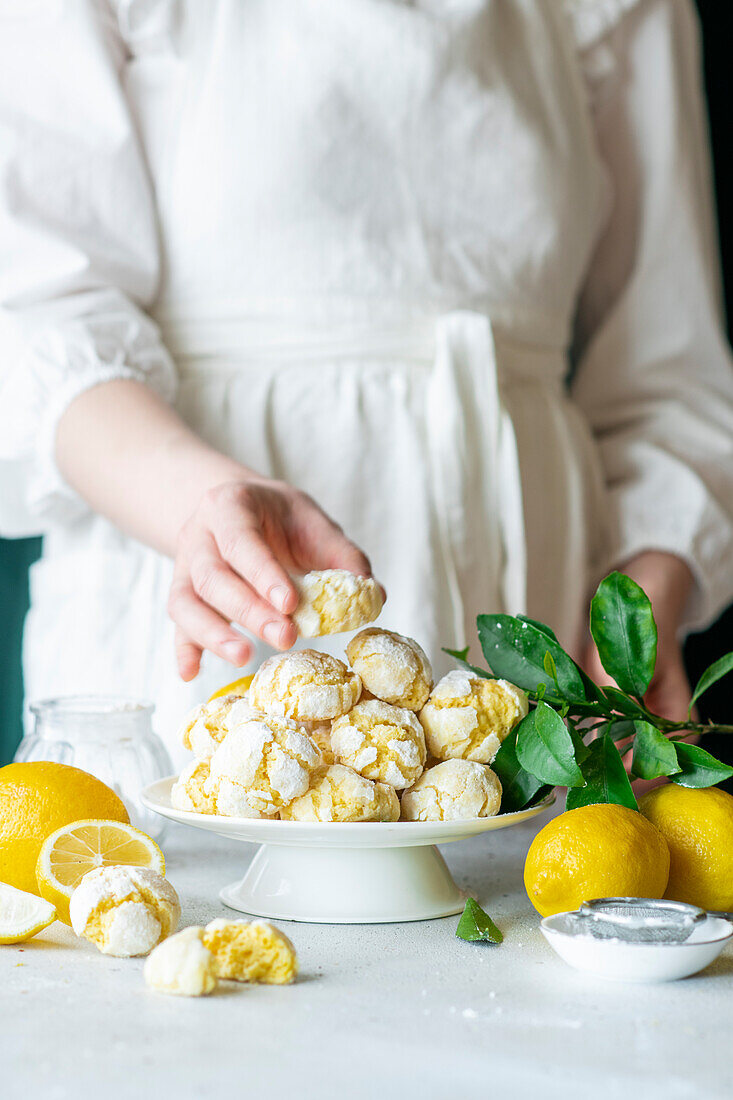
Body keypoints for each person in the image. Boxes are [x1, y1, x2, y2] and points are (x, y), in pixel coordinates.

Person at [1, 0, 732, 766]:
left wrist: (640, 606)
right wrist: (200, 509)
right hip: (197, 611)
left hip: (533, 633)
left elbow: (665, 368)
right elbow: (35, 313)